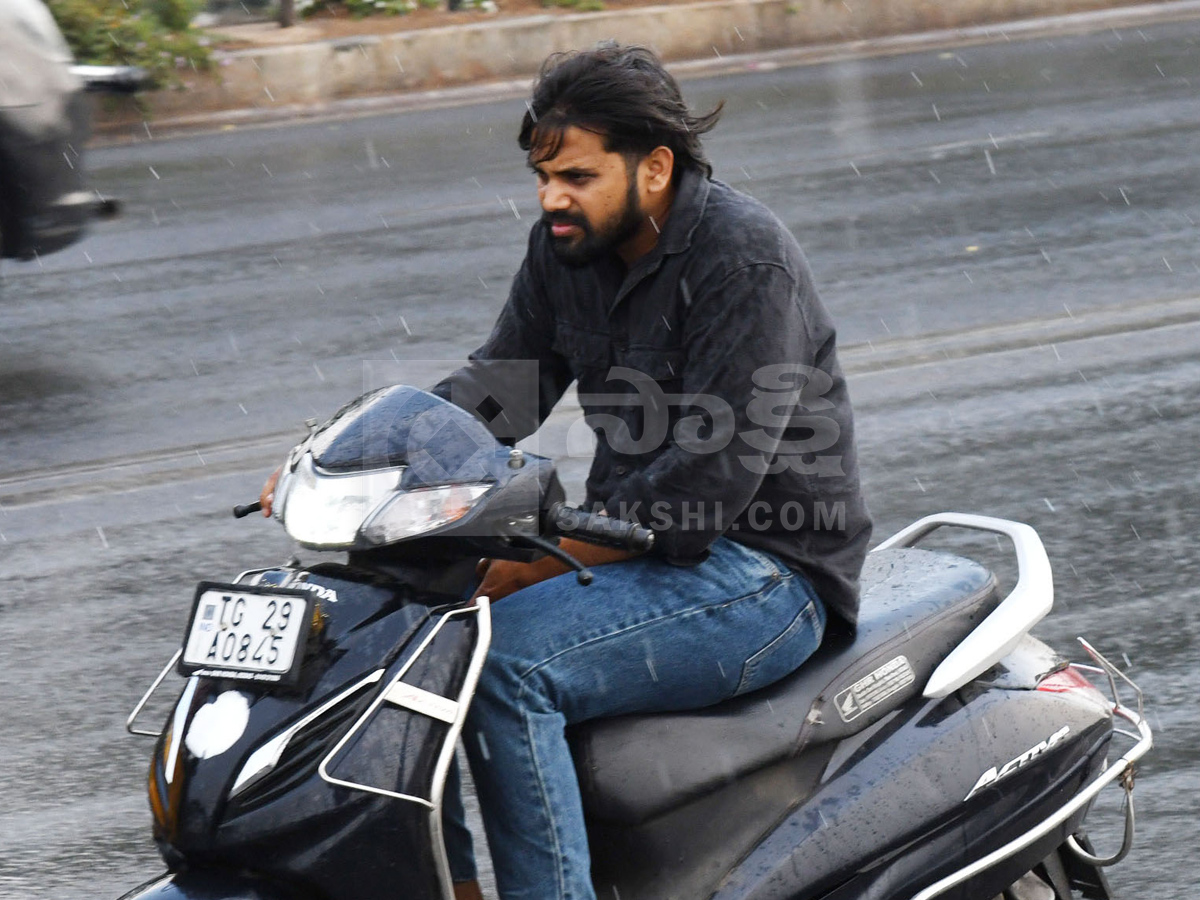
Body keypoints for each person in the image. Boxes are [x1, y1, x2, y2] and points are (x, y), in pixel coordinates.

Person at [262, 42, 871, 900]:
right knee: (397, 631)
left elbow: (706, 488)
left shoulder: (744, 260)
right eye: (543, 175)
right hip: (635, 546)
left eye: (577, 176)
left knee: (506, 667)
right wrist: (339, 463)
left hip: (764, 573)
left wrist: (539, 558)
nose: (553, 197)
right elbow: (494, 395)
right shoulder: (566, 251)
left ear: (654, 168)